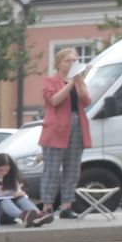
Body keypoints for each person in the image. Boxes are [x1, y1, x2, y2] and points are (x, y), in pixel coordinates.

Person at [39, 48, 93, 220]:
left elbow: (86, 101)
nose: (72, 64)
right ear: (58, 63)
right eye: (68, 61)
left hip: (77, 125)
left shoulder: (78, 81)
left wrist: (81, 83)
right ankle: (47, 206)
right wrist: (71, 83)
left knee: (73, 169)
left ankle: (66, 206)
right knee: (52, 170)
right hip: (56, 128)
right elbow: (54, 100)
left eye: (74, 61)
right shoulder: (50, 80)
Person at [0, 154, 51, 227]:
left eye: (7, 170)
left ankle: (38, 215)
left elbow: (20, 193)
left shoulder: (11, 177)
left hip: (11, 213)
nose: (3, 173)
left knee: (20, 198)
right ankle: (23, 216)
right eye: (0, 170)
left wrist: (19, 194)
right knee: (4, 200)